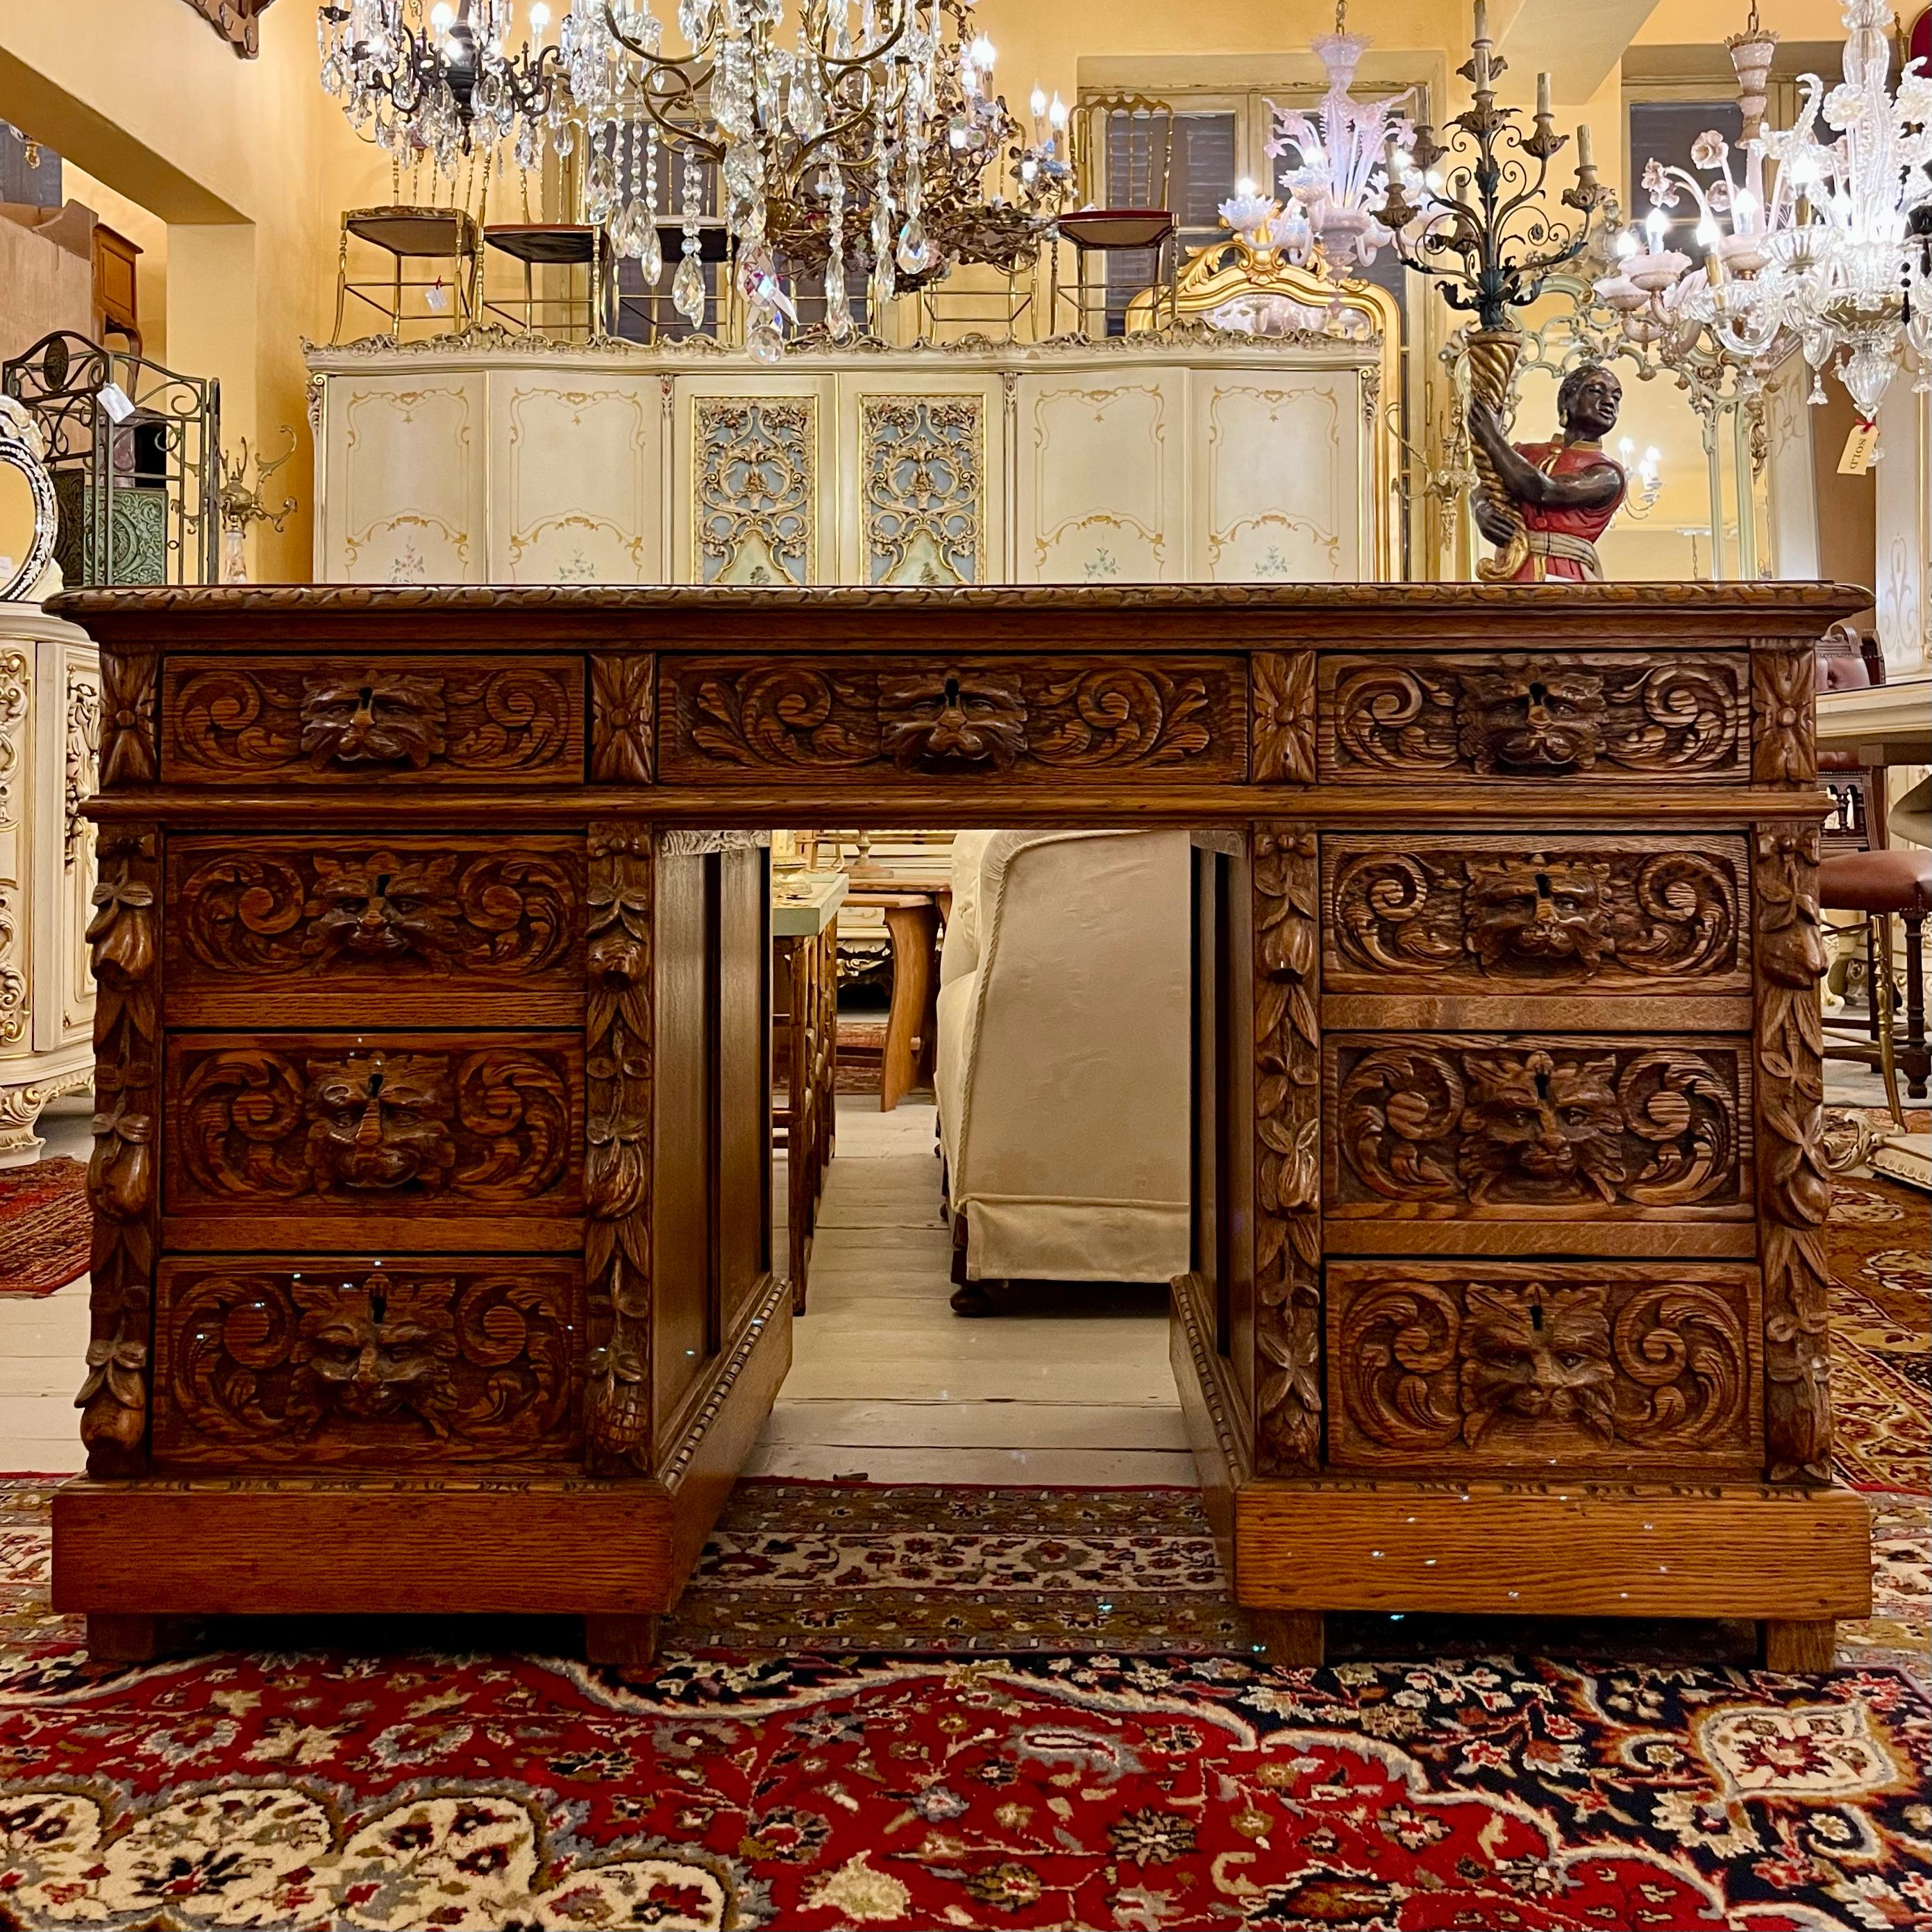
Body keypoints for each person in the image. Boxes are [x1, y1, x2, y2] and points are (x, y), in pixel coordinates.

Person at [1467, 362, 1628, 582]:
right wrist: (1481, 508)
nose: (1609, 401)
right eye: (1596, 391)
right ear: (1566, 400)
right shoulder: (1524, 453)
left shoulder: (1608, 474)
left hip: (1565, 572)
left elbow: (1544, 490)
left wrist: (1492, 439)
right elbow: (1485, 489)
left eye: (1616, 397)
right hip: (1513, 567)